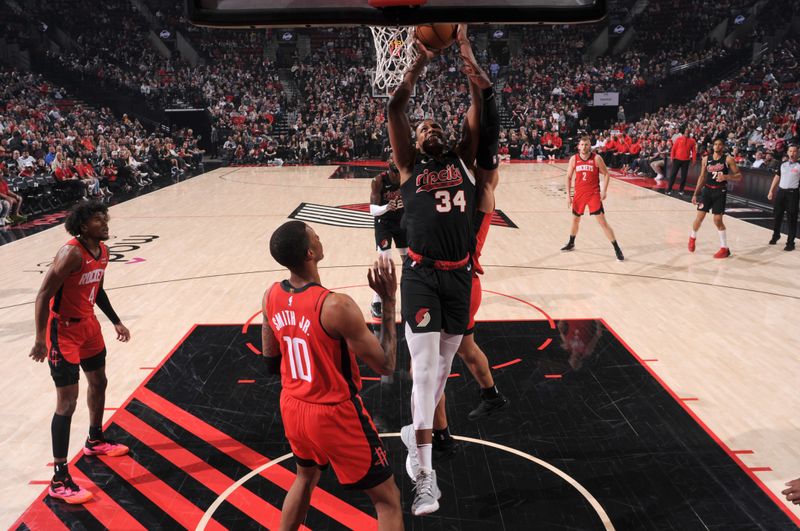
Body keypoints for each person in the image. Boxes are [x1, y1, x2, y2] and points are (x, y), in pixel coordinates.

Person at [387, 24, 481, 515]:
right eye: (422, 129)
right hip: (421, 275)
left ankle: (414, 432)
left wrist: (465, 54)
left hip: (459, 276)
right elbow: (394, 109)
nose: (428, 130)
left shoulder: (464, 159)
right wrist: (418, 64)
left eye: (433, 127)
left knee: (441, 374)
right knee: (424, 373)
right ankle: (424, 474)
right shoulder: (407, 167)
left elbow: (479, 108)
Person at [262, 221, 402, 531]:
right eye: (315, 234)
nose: (319, 236)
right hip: (333, 413)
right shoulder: (335, 305)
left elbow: (270, 360)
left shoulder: (269, 296)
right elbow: (386, 365)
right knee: (387, 499)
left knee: (305, 476)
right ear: (311, 252)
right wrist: (389, 301)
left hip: (293, 406)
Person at [430, 28, 509, 457]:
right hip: (444, 277)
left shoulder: (476, 183)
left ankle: (441, 435)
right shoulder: (424, 169)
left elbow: (481, 128)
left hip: (454, 278)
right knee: (462, 347)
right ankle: (491, 394)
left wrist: (470, 66)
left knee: (436, 362)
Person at [28, 201, 131, 504]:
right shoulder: (71, 253)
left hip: (88, 326)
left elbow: (96, 289)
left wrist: (116, 320)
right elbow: (44, 293)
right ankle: (59, 478)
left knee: (99, 382)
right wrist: (39, 338)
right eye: (99, 220)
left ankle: (95, 439)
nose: (106, 223)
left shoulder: (103, 251)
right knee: (67, 402)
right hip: (63, 332)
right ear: (84, 226)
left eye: (105, 218)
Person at [561, 136, 625, 261]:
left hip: (593, 194)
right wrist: (568, 196)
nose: (584, 147)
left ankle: (617, 248)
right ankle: (571, 242)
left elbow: (606, 174)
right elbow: (568, 177)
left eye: (586, 144)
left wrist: (604, 190)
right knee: (575, 220)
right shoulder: (574, 159)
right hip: (579, 194)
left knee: (602, 222)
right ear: (578, 146)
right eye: (582, 144)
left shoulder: (596, 158)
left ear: (589, 145)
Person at [689, 137, 743, 258]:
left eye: (719, 144)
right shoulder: (705, 159)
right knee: (699, 217)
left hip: (720, 191)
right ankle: (692, 237)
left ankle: (724, 248)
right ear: (713, 146)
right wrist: (695, 193)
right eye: (715, 144)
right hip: (707, 191)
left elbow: (739, 176)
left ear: (723, 147)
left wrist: (726, 177)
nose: (717, 146)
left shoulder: (728, 159)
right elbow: (702, 177)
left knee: (718, 220)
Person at [369, 159, 407, 318]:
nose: (397, 176)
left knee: (409, 260)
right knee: (386, 261)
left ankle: (410, 294)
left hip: (401, 221)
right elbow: (372, 210)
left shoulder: (407, 178)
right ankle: (377, 300)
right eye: (395, 173)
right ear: (390, 171)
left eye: (399, 173)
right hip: (383, 222)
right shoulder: (378, 181)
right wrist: (387, 207)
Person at [767, 144, 800, 251]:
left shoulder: (799, 165)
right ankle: (776, 235)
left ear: (798, 153)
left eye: (794, 151)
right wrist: (771, 190)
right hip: (781, 192)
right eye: (790, 151)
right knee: (777, 216)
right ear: (788, 152)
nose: (792, 153)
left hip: (793, 194)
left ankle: (790, 242)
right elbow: (777, 177)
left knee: (792, 219)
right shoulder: (782, 164)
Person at [666, 126, 697, 195]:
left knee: (684, 176)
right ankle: (669, 189)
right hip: (677, 159)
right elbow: (673, 148)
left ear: (689, 132)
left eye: (688, 131)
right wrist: (672, 157)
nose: (687, 132)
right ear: (684, 132)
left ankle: (681, 190)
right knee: (673, 175)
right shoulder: (679, 139)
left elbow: (694, 151)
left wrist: (694, 160)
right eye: (686, 131)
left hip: (686, 161)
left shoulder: (692, 141)